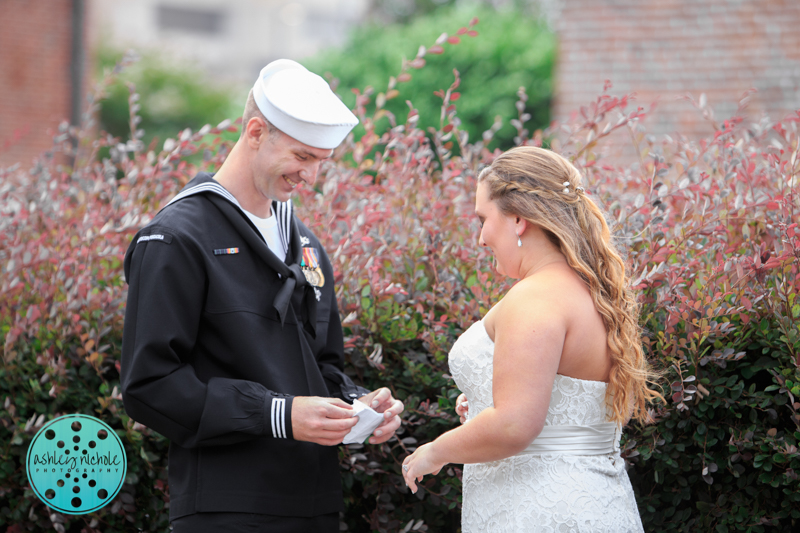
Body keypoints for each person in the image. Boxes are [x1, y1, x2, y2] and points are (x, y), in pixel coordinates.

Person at [121, 59, 404, 533]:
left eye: (321, 161)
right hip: (225, 510)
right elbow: (149, 386)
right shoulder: (175, 237)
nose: (310, 176)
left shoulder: (306, 243)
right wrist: (276, 414)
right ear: (255, 131)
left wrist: (360, 407)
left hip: (314, 504)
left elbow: (323, 368)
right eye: (302, 157)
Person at [401, 146, 662, 532]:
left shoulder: (535, 297)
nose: (480, 238)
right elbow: (560, 398)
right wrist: (482, 403)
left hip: (539, 511)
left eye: (483, 219)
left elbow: (514, 424)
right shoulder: (589, 290)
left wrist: (433, 452)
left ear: (519, 219)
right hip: (595, 502)